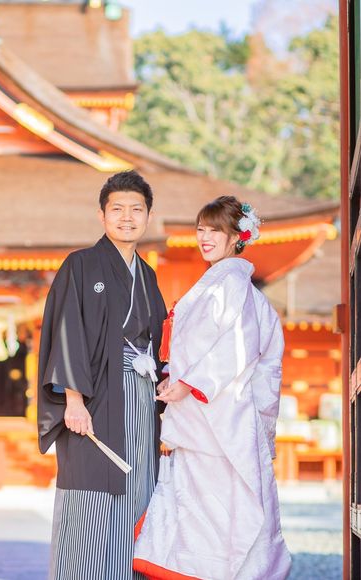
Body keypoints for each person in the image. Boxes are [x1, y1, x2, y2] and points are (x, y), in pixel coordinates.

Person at [134, 196, 291, 580]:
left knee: (219, 510)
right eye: (201, 229)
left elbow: (237, 348)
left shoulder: (231, 284)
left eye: (215, 231)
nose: (204, 237)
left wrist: (190, 383)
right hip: (207, 413)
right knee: (208, 508)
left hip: (221, 417)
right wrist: (176, 377)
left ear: (237, 237)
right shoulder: (218, 283)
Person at [37, 170, 167, 580]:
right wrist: (73, 400)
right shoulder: (80, 265)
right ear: (102, 215)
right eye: (118, 209)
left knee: (139, 484)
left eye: (136, 209)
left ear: (148, 216)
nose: (127, 217)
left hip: (141, 397)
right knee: (90, 491)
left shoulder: (147, 275)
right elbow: (67, 331)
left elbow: (160, 340)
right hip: (94, 399)